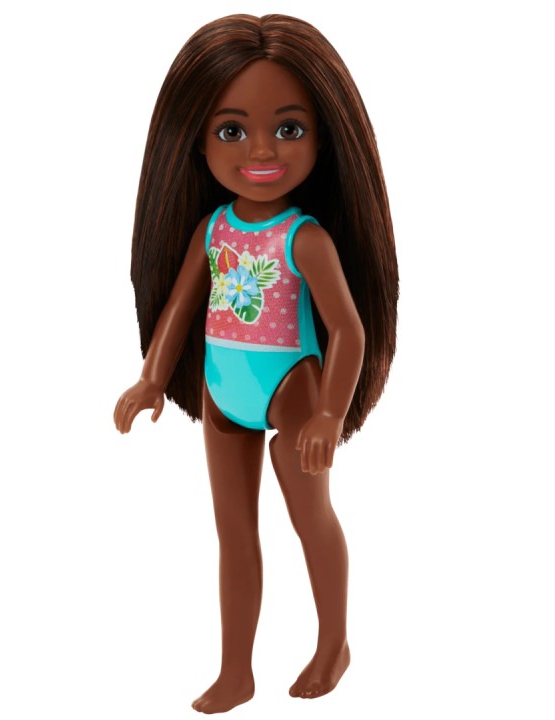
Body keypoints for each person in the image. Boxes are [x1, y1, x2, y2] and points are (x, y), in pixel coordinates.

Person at [113, 14, 398, 714]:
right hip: (222, 391)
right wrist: (152, 377)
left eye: (289, 129)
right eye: (232, 131)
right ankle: (235, 669)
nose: (262, 150)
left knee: (311, 518)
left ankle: (333, 643)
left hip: (292, 387)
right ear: (197, 140)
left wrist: (329, 411)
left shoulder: (305, 238)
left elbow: (349, 330)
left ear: (323, 139)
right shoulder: (213, 228)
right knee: (234, 536)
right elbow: (180, 305)